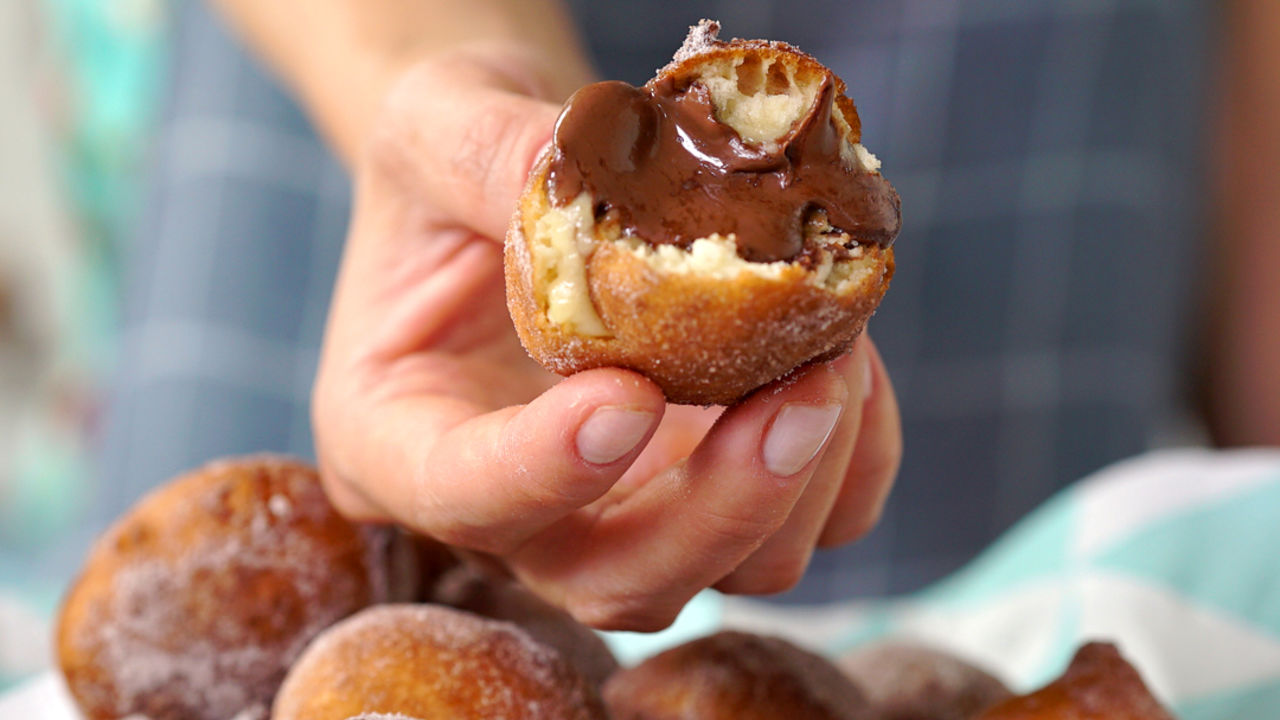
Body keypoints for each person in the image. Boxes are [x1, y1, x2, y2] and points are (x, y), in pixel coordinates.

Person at [91, 0, 1278, 630]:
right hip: (384, 195)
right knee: (260, 626)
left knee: (989, 663)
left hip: (1037, 136)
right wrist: (466, 97)